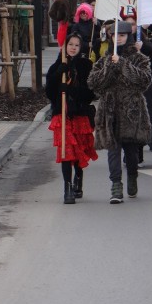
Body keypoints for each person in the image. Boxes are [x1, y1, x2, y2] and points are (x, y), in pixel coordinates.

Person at [88, 21, 152, 203]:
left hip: (131, 111)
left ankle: (132, 176)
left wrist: (123, 64)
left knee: (131, 153)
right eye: (116, 35)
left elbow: (144, 81)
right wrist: (109, 66)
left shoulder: (139, 58)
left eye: (122, 35)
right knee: (113, 150)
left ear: (128, 36)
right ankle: (116, 185)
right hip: (109, 111)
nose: (119, 38)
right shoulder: (104, 59)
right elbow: (94, 83)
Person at [45, 33, 97, 204]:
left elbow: (90, 94)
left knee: (78, 151)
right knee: (66, 151)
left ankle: (78, 179)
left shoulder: (86, 66)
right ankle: (67, 187)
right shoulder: (57, 65)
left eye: (76, 45)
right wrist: (56, 79)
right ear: (64, 46)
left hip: (80, 114)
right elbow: (49, 94)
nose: (73, 47)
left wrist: (72, 90)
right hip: (62, 114)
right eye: (70, 44)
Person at [122, 7, 152, 155]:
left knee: (141, 119)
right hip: (125, 88)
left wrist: (142, 49)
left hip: (143, 88)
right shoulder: (119, 41)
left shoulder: (144, 42)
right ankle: (130, 153)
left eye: (133, 24)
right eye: (127, 24)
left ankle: (139, 150)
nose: (130, 27)